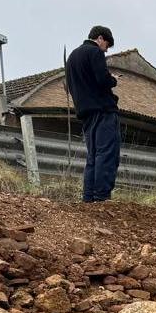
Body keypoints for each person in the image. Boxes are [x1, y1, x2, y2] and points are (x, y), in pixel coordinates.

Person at [65, 26, 120, 203]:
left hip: (85, 113)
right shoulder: (95, 52)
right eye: (107, 45)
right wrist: (114, 80)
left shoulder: (72, 56)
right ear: (100, 38)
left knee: (93, 156)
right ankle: (102, 197)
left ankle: (89, 199)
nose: (106, 49)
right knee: (107, 153)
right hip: (103, 111)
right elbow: (102, 80)